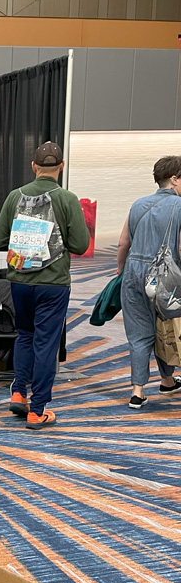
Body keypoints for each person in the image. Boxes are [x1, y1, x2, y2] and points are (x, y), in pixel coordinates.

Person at [0, 141, 89, 430]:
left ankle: (19, 392)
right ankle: (38, 410)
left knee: (24, 335)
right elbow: (81, 245)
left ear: (33, 167)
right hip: (53, 283)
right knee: (45, 343)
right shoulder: (67, 199)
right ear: (61, 167)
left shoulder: (14, 197)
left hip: (19, 281)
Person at [116, 155, 181, 409]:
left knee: (139, 333)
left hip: (133, 273)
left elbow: (123, 243)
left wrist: (122, 272)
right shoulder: (180, 206)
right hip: (168, 277)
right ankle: (166, 380)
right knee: (168, 328)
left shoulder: (137, 204)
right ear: (174, 179)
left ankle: (138, 391)